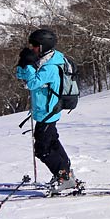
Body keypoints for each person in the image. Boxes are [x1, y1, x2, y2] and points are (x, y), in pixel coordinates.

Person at [16, 28, 77, 192]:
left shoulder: (50, 66)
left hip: (48, 111)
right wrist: (23, 63)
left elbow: (31, 84)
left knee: (42, 149)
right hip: (46, 110)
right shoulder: (45, 59)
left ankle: (64, 177)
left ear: (43, 46)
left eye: (35, 45)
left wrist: (28, 65)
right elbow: (20, 77)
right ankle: (65, 171)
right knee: (51, 141)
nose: (32, 48)